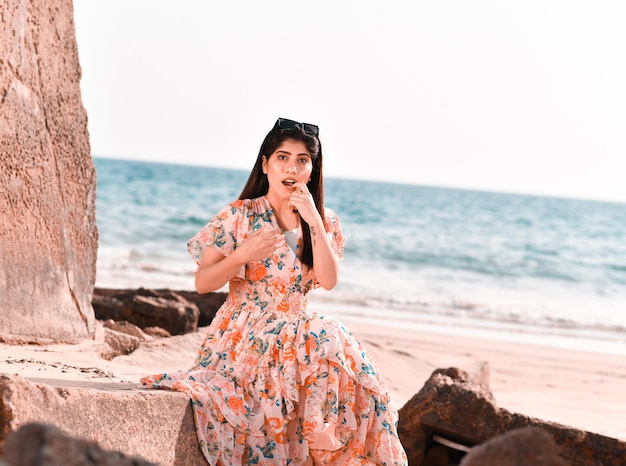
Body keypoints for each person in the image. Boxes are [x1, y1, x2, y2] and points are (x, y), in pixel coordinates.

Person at [140, 118, 408, 466]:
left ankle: (324, 436)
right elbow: (203, 282)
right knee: (327, 332)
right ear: (265, 165)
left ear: (312, 170)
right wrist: (241, 255)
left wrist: (313, 221)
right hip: (242, 336)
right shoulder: (240, 216)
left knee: (331, 337)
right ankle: (320, 435)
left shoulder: (324, 222)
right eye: (282, 157)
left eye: (301, 160)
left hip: (294, 337)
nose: (291, 167)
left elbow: (328, 281)